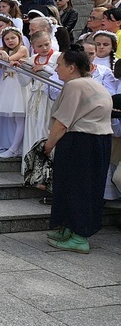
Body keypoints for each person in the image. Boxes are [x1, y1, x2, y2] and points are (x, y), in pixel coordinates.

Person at [44, 45, 112, 253]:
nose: (56, 69)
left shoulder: (75, 85)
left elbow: (62, 122)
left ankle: (79, 236)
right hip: (97, 141)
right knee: (80, 186)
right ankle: (68, 227)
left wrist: (48, 146)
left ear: (72, 67)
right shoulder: (92, 83)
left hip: (81, 141)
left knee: (76, 187)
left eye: (60, 65)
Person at [0, 26, 29, 159]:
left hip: (19, 84)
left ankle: (14, 149)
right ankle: (15, 146)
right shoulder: (6, 49)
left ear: (19, 38)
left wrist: (1, 55)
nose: (10, 41)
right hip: (8, 83)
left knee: (20, 119)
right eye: (7, 39)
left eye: (13, 38)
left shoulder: (22, 48)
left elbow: (9, 59)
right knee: (14, 120)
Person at [18, 31, 59, 168]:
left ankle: (48, 167)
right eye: (40, 46)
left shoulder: (58, 57)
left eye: (47, 44)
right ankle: (31, 167)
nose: (44, 48)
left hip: (51, 99)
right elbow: (24, 82)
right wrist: (20, 69)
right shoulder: (32, 58)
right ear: (33, 46)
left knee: (47, 129)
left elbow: (59, 76)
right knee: (33, 129)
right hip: (35, 98)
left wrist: (45, 68)